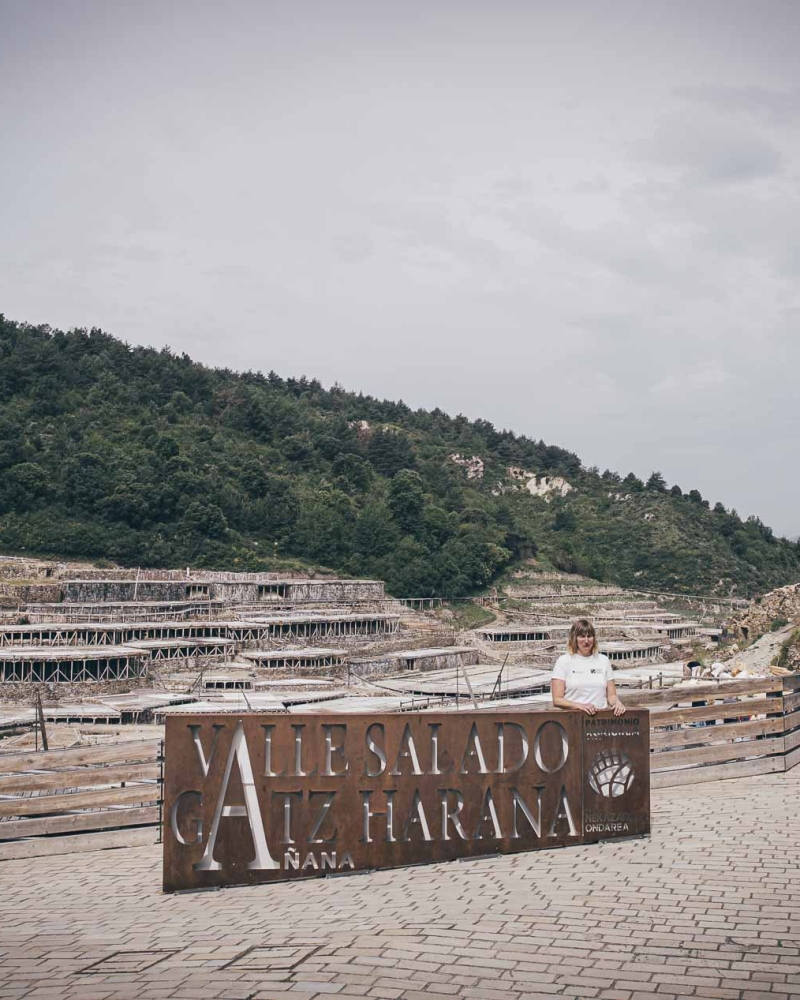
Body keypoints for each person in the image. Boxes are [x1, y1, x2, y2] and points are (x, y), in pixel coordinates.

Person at [551, 618, 626, 716]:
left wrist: (617, 703)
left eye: (589, 636)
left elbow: (611, 695)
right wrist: (580, 706)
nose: (586, 641)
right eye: (582, 636)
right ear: (574, 638)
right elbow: (557, 700)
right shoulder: (563, 661)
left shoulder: (604, 661)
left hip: (600, 721)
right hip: (573, 720)